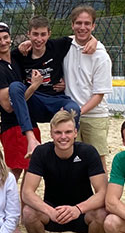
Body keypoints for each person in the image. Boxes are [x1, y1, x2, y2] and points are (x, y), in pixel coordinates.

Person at [20, 110, 109, 233]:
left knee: (102, 212)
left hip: (82, 213)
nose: (63, 137)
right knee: (28, 211)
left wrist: (78, 209)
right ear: (51, 134)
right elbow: (27, 192)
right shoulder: (42, 152)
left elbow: (103, 193)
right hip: (53, 212)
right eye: (58, 132)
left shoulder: (88, 152)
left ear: (76, 133)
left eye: (68, 132)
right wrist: (49, 211)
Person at [10, 16, 93, 158]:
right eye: (35, 34)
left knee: (73, 108)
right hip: (34, 101)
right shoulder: (19, 54)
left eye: (43, 34)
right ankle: (31, 140)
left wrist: (93, 40)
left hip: (55, 100)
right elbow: (4, 58)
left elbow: (81, 34)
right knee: (15, 86)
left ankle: (67, 150)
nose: (39, 39)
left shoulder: (57, 46)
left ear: (49, 34)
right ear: (28, 34)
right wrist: (34, 85)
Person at [0, 22, 40, 177]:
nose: (3, 42)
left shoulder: (15, 58)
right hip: (13, 128)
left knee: (32, 172)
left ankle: (24, 203)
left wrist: (29, 41)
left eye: (5, 37)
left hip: (28, 122)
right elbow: (9, 106)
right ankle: (2, 202)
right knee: (13, 173)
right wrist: (33, 87)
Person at [62, 6, 113, 163]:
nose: (82, 27)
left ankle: (102, 189)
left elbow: (98, 95)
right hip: (70, 114)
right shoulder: (64, 46)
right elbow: (41, 41)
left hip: (95, 116)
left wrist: (77, 112)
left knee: (97, 162)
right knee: (69, 162)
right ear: (72, 25)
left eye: (87, 23)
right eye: (78, 23)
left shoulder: (101, 55)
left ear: (93, 26)